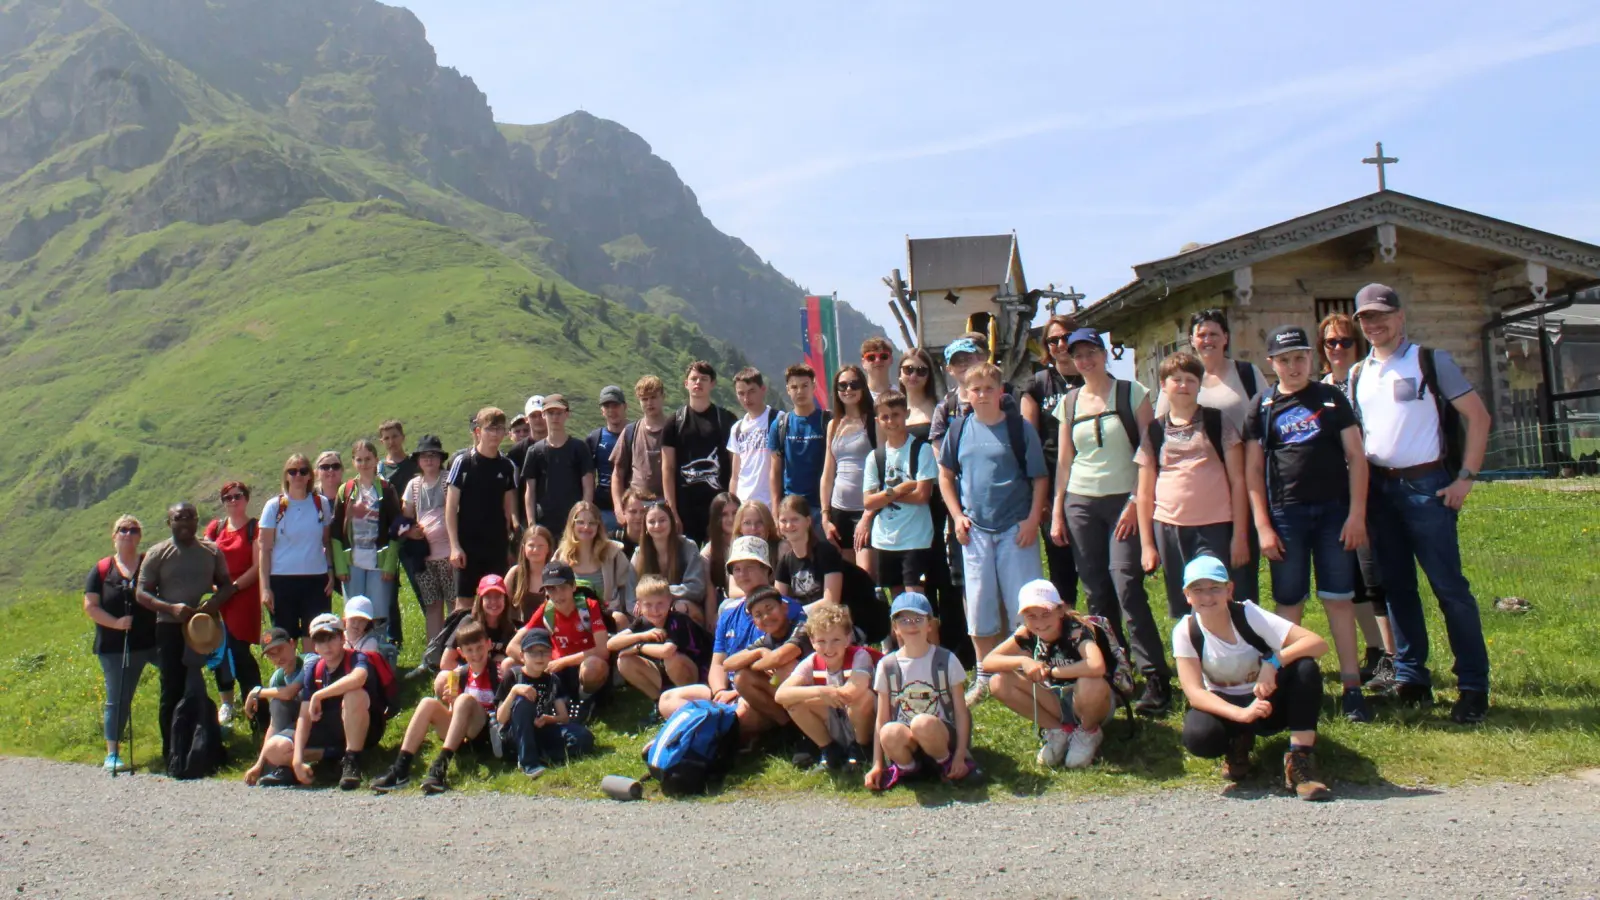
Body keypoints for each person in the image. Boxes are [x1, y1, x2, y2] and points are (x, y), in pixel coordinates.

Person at [1350, 283, 1493, 723]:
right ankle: (1413, 678)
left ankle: (1472, 685)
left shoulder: (1430, 360)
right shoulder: (1359, 373)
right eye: (1366, 318)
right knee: (1397, 589)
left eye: (1381, 315)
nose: (1375, 324)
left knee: (1450, 589)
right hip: (1380, 491)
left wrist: (1465, 478)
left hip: (1427, 486)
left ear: (1400, 317)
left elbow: (1479, 416)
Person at [1245, 324, 1372, 723]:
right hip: (1286, 515)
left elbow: (1357, 456)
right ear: (1272, 364)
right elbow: (1251, 473)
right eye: (1284, 360)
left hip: (1334, 512)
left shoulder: (1331, 398)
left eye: (1300, 357)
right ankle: (1288, 685)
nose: (1293, 366)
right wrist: (1262, 526)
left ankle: (1352, 687)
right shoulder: (1262, 406)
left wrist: (1356, 515)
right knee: (1288, 603)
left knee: (1338, 598)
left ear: (1311, 358)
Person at [1049, 329, 1172, 717]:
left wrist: (1137, 501)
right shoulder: (1068, 403)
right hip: (1081, 502)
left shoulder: (1132, 392)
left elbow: (1148, 450)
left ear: (1104, 354)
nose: (1085, 361)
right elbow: (1065, 461)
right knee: (1097, 594)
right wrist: (1057, 511)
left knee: (1126, 586)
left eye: (1091, 353)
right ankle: (1117, 674)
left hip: (1124, 499)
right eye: (1077, 355)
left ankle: (1155, 677)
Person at [1172, 556, 1332, 800]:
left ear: (1229, 589)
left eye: (1215, 588)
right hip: (1229, 707)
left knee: (1305, 668)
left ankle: (1300, 760)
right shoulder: (1185, 631)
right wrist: (1241, 715)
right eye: (1198, 590)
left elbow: (1317, 643)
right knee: (1199, 737)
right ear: (1187, 595)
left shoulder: (1248, 614)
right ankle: (1238, 741)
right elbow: (1195, 693)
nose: (1207, 597)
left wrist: (1273, 662)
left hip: (1268, 701)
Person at [939, 362, 1048, 708]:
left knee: (1026, 605)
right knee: (980, 605)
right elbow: (945, 476)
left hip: (1016, 528)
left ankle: (1031, 669)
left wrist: (1033, 520)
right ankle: (986, 675)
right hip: (976, 532)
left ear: (1000, 391)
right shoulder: (958, 430)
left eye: (988, 388)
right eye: (975, 389)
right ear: (966, 394)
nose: (982, 395)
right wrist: (957, 516)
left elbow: (1040, 478)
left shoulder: (1019, 429)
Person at [1154, 309, 1268, 603]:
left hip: (1244, 482)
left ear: (1226, 338)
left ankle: (1246, 637)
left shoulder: (1246, 373)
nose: (1207, 340)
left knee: (1237, 572)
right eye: (1201, 334)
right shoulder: (1181, 380)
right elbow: (1160, 440)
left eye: (1214, 334)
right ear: (1192, 340)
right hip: (1196, 495)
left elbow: (1266, 419)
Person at [1135, 351, 1249, 619]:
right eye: (1176, 379)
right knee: (1185, 603)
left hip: (1216, 525)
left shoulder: (1218, 422)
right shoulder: (1153, 430)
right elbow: (1144, 491)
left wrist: (1241, 535)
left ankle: (1235, 657)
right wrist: (1147, 545)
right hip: (1170, 527)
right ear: (1163, 385)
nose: (1184, 385)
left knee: (1222, 597)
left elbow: (1239, 480)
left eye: (1190, 379)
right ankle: (1193, 657)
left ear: (1200, 385)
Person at [657, 537, 806, 741]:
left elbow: (783, 665)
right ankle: (709, 730)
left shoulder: (784, 608)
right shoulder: (728, 613)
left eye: (750, 567)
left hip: (761, 691)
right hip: (729, 691)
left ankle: (694, 732)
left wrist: (737, 693)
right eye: (736, 569)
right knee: (667, 700)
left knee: (742, 712)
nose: (742, 574)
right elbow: (719, 662)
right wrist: (720, 691)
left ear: (766, 569)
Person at [1319, 313, 1397, 692]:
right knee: (1349, 579)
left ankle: (1394, 658)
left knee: (1373, 575)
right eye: (1330, 342)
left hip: (1371, 484)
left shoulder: (1369, 378)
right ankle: (1375, 651)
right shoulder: (1318, 388)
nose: (1337, 349)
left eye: (1345, 342)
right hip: (1333, 492)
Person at [135, 502, 236, 763]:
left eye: (190, 517)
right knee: (172, 687)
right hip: (169, 627)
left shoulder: (211, 551)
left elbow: (227, 585)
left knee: (203, 684)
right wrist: (170, 608)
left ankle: (204, 745)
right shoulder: (158, 553)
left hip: (204, 628)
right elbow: (141, 592)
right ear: (169, 523)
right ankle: (172, 750)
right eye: (179, 518)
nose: (186, 522)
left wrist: (216, 601)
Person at [983, 579, 1117, 769]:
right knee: (998, 681)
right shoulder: (1027, 633)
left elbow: (1096, 666)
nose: (1040, 623)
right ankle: (1058, 730)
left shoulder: (1076, 630)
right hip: (1056, 699)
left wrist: (1053, 671)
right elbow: (988, 661)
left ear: (1060, 610)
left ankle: (1088, 732)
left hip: (1093, 700)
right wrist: (1023, 661)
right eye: (1031, 616)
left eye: (1046, 614)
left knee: (1089, 680)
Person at [257, 613, 388, 789]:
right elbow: (304, 716)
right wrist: (297, 760)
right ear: (315, 647)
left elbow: (358, 678)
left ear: (342, 638)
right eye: (319, 640)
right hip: (329, 729)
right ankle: (330, 759)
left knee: (354, 694)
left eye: (330, 638)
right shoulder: (313, 668)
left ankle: (352, 762)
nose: (326, 646)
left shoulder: (357, 658)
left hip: (365, 727)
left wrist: (319, 695)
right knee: (273, 749)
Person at [369, 619, 500, 794]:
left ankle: (439, 767)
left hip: (485, 733)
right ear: (461, 652)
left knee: (464, 700)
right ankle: (400, 768)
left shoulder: (498, 673)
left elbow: (502, 711)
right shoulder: (458, 674)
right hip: (461, 735)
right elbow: (455, 713)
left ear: (489, 645)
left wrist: (460, 700)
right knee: (427, 703)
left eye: (479, 648)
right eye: (470, 650)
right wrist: (452, 702)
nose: (476, 654)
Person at [866, 593, 973, 790]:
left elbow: (961, 711)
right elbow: (881, 719)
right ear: (895, 628)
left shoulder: (946, 660)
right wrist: (877, 763)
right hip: (907, 736)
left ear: (930, 624)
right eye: (904, 620)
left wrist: (960, 754)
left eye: (918, 619)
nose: (912, 625)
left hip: (940, 734)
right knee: (889, 731)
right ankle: (910, 768)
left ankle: (946, 763)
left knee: (922, 722)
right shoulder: (887, 665)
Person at [1022, 314, 1085, 605]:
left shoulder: (1095, 377)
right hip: (1051, 481)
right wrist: (1040, 496)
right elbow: (1029, 442)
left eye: (1066, 337)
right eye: (1053, 340)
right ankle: (1068, 632)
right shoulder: (1037, 384)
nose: (1061, 344)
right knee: (1060, 564)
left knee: (1097, 565)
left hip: (1091, 482)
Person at [85, 515, 154, 772]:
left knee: (178, 680)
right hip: (115, 646)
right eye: (122, 530)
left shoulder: (149, 564)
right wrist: (116, 623)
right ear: (114, 536)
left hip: (152, 641)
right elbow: (90, 606)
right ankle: (112, 754)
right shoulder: (102, 569)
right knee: (118, 698)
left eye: (133, 530)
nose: (127, 534)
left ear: (139, 536)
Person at [775, 603, 876, 771]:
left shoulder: (860, 655)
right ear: (812, 641)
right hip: (835, 715)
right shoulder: (812, 661)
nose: (828, 648)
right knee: (793, 703)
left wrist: (827, 694)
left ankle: (861, 750)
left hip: (861, 720)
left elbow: (853, 690)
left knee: (862, 697)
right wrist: (821, 692)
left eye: (836, 640)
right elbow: (780, 695)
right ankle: (830, 750)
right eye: (821, 641)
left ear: (847, 638)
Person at [332, 439, 403, 658]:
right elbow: (336, 531)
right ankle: (354, 658)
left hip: (378, 563)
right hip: (352, 563)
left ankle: (378, 659)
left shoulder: (386, 489)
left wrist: (390, 564)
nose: (364, 464)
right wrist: (340, 566)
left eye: (368, 459)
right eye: (359, 459)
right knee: (354, 614)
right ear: (353, 462)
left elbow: (396, 527)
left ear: (376, 460)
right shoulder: (346, 490)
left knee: (378, 614)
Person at [863, 390, 937, 598]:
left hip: (915, 539)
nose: (890, 421)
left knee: (916, 599)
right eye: (885, 417)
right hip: (884, 540)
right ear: (878, 420)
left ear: (906, 414)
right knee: (896, 602)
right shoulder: (875, 457)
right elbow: (868, 502)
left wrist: (883, 496)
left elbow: (923, 496)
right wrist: (900, 489)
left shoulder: (922, 450)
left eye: (895, 414)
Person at [495, 629, 595, 778]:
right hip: (515, 732)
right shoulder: (514, 676)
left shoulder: (553, 680)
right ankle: (528, 763)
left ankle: (542, 754)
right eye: (533, 652)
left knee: (584, 737)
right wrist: (514, 691)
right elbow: (501, 718)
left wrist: (547, 719)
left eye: (544, 651)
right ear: (522, 656)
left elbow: (564, 717)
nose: (539, 657)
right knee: (523, 701)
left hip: (542, 729)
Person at [519, 562, 611, 722]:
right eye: (551, 589)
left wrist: (562, 661)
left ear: (573, 587)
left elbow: (603, 650)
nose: (558, 594)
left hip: (583, 668)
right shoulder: (546, 610)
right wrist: (536, 662)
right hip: (556, 673)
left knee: (594, 665)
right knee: (509, 664)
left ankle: (584, 701)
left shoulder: (589, 606)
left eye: (562, 587)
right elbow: (513, 645)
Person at [258, 454, 334, 647]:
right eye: (292, 471)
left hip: (316, 580)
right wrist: (265, 588)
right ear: (286, 476)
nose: (298, 475)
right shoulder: (274, 506)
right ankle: (290, 677)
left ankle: (312, 676)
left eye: (303, 471)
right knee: (285, 639)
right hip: (282, 581)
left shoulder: (321, 503)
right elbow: (264, 550)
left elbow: (327, 541)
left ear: (310, 476)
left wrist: (331, 572)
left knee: (316, 636)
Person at [203, 482, 262, 728]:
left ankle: (254, 697)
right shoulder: (215, 528)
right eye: (227, 497)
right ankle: (226, 701)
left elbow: (257, 566)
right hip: (220, 596)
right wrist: (217, 588)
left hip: (243, 595)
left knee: (239, 649)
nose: (233, 501)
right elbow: (204, 558)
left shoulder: (254, 528)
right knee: (219, 649)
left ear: (246, 499)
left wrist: (234, 587)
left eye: (238, 496)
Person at [446, 407, 518, 606]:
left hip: (495, 545)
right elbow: (451, 507)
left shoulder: (507, 466)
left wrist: (508, 547)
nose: (495, 434)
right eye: (490, 429)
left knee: (496, 601)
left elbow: (507, 509)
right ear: (478, 432)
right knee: (464, 605)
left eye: (500, 429)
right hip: (467, 546)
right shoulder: (464, 463)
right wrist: (454, 546)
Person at [661, 361, 736, 544]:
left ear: (713, 384)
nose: (698, 383)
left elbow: (736, 467)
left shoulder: (726, 419)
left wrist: (734, 507)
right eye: (693, 379)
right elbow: (668, 469)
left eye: (704, 379)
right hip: (686, 508)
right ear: (685, 383)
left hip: (720, 507)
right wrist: (672, 510)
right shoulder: (674, 423)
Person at [608, 575, 713, 704]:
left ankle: (689, 702)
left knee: (672, 659)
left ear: (669, 601)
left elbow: (667, 651)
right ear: (639, 605)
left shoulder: (678, 620)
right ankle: (659, 702)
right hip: (669, 672)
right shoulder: (644, 623)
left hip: (700, 676)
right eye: (648, 605)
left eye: (660, 603)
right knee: (623, 661)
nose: (655, 610)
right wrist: (642, 636)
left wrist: (637, 647)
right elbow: (611, 644)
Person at [820, 365, 876, 567]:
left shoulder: (874, 421)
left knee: (866, 576)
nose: (848, 390)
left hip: (867, 509)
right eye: (842, 385)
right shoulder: (833, 425)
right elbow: (827, 474)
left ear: (863, 387)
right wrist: (825, 517)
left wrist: (868, 516)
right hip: (839, 510)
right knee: (848, 578)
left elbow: (885, 468)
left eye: (854, 384)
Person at [401, 435, 453, 645]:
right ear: (418, 460)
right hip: (424, 557)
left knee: (454, 603)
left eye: (433, 455)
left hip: (450, 555)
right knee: (432, 605)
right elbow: (404, 517)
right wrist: (410, 532)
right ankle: (434, 651)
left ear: (440, 458)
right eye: (424, 456)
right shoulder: (414, 485)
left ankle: (455, 648)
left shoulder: (449, 480)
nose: (429, 460)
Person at [522, 393, 595, 535]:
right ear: (543, 415)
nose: (555, 417)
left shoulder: (579, 448)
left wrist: (584, 516)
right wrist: (531, 525)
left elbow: (588, 486)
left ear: (567, 414)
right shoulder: (534, 451)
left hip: (574, 522)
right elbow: (530, 491)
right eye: (550, 413)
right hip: (544, 523)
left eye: (559, 413)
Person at [242, 629, 309, 785]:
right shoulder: (276, 679)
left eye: (280, 649)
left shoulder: (309, 661)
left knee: (280, 701)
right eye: (272, 654)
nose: (278, 657)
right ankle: (282, 767)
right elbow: (274, 724)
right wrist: (259, 764)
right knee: (277, 704)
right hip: (294, 728)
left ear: (292, 644)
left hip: (318, 721)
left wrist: (256, 692)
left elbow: (290, 693)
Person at [556, 501, 635, 630]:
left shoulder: (613, 553)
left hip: (607, 619)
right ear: (572, 524)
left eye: (592, 523)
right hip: (571, 620)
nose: (586, 527)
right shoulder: (561, 557)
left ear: (598, 526)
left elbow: (629, 587)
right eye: (580, 522)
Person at [632, 500, 710, 625]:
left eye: (662, 520)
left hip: (683, 606)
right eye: (652, 522)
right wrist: (651, 602)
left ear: (671, 523)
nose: (657, 525)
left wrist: (661, 594)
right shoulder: (638, 554)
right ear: (645, 527)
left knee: (680, 607)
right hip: (651, 608)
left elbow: (696, 588)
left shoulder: (688, 547)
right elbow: (631, 594)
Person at [767, 363, 829, 514]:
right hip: (791, 506)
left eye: (804, 385)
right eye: (794, 387)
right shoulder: (780, 424)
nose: (800, 391)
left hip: (823, 506)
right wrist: (775, 510)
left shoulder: (828, 421)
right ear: (788, 390)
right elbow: (775, 471)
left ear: (814, 387)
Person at [773, 495, 848, 607]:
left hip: (831, 619)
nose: (788, 525)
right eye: (783, 520)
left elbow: (831, 602)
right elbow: (777, 603)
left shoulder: (827, 553)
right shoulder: (785, 562)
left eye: (795, 519)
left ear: (808, 521)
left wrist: (799, 612)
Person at [610, 376, 669, 516]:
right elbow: (617, 473)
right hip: (637, 507)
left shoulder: (675, 430)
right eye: (644, 399)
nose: (649, 403)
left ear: (663, 397)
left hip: (667, 506)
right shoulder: (631, 431)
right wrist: (618, 507)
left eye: (653, 397)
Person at [440, 575, 517, 672]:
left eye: (498, 596)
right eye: (488, 597)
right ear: (480, 600)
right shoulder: (468, 622)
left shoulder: (509, 627)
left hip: (495, 679)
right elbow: (446, 663)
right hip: (467, 676)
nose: (493, 601)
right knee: (441, 679)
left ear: (505, 599)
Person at [727, 367, 775, 506]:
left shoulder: (778, 419)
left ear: (763, 389)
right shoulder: (737, 428)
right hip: (743, 504)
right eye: (741, 393)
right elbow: (735, 475)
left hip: (770, 504)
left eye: (751, 391)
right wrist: (733, 505)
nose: (746, 398)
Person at [589, 385, 630, 532]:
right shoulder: (595, 438)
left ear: (625, 406)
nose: (611, 410)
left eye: (615, 405)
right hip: (604, 508)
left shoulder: (635, 433)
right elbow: (589, 475)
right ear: (602, 411)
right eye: (607, 406)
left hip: (633, 507)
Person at [505, 526, 556, 624]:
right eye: (531, 545)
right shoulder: (515, 573)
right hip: (520, 630)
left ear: (548, 548)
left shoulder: (555, 574)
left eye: (540, 546)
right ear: (524, 548)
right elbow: (502, 604)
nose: (535, 550)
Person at [702, 492, 739, 606]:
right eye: (724, 514)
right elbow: (709, 588)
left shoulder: (750, 541)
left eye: (735, 513)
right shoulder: (709, 551)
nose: (731, 519)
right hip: (725, 603)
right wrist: (711, 616)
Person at [897, 348, 940, 435]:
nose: (913, 376)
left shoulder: (940, 410)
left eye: (921, 371)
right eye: (908, 369)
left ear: (929, 376)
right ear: (900, 374)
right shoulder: (893, 410)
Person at [612, 488, 650, 558]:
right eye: (633, 511)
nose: (638, 517)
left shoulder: (655, 540)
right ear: (623, 512)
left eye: (643, 511)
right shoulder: (613, 541)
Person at [861, 336, 896, 401]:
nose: (877, 360)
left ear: (891, 360)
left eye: (883, 356)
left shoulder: (902, 396)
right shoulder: (859, 398)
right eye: (871, 357)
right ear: (863, 363)